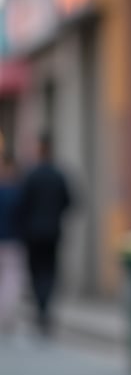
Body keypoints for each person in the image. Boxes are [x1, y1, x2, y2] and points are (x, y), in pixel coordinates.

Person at [16, 133, 73, 336]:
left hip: (32, 232)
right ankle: (44, 308)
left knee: (36, 270)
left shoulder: (31, 176)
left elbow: (20, 204)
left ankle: (41, 309)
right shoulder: (59, 175)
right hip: (52, 231)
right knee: (49, 270)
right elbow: (70, 201)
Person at [0, 141, 24, 336]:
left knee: (9, 278)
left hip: (11, 240)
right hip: (13, 240)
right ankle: (7, 316)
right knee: (12, 279)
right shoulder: (18, 192)